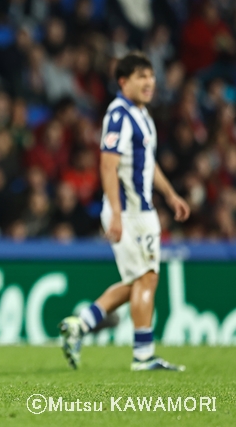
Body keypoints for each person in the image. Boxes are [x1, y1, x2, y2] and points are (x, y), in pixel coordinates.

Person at [58, 53, 190, 371]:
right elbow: (107, 164)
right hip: (129, 211)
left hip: (142, 211)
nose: (149, 82)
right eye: (141, 76)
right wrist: (116, 213)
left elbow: (148, 162)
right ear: (123, 81)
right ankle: (143, 356)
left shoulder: (141, 114)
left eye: (151, 76)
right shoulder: (118, 114)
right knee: (147, 278)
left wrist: (170, 194)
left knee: (138, 280)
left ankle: (81, 323)